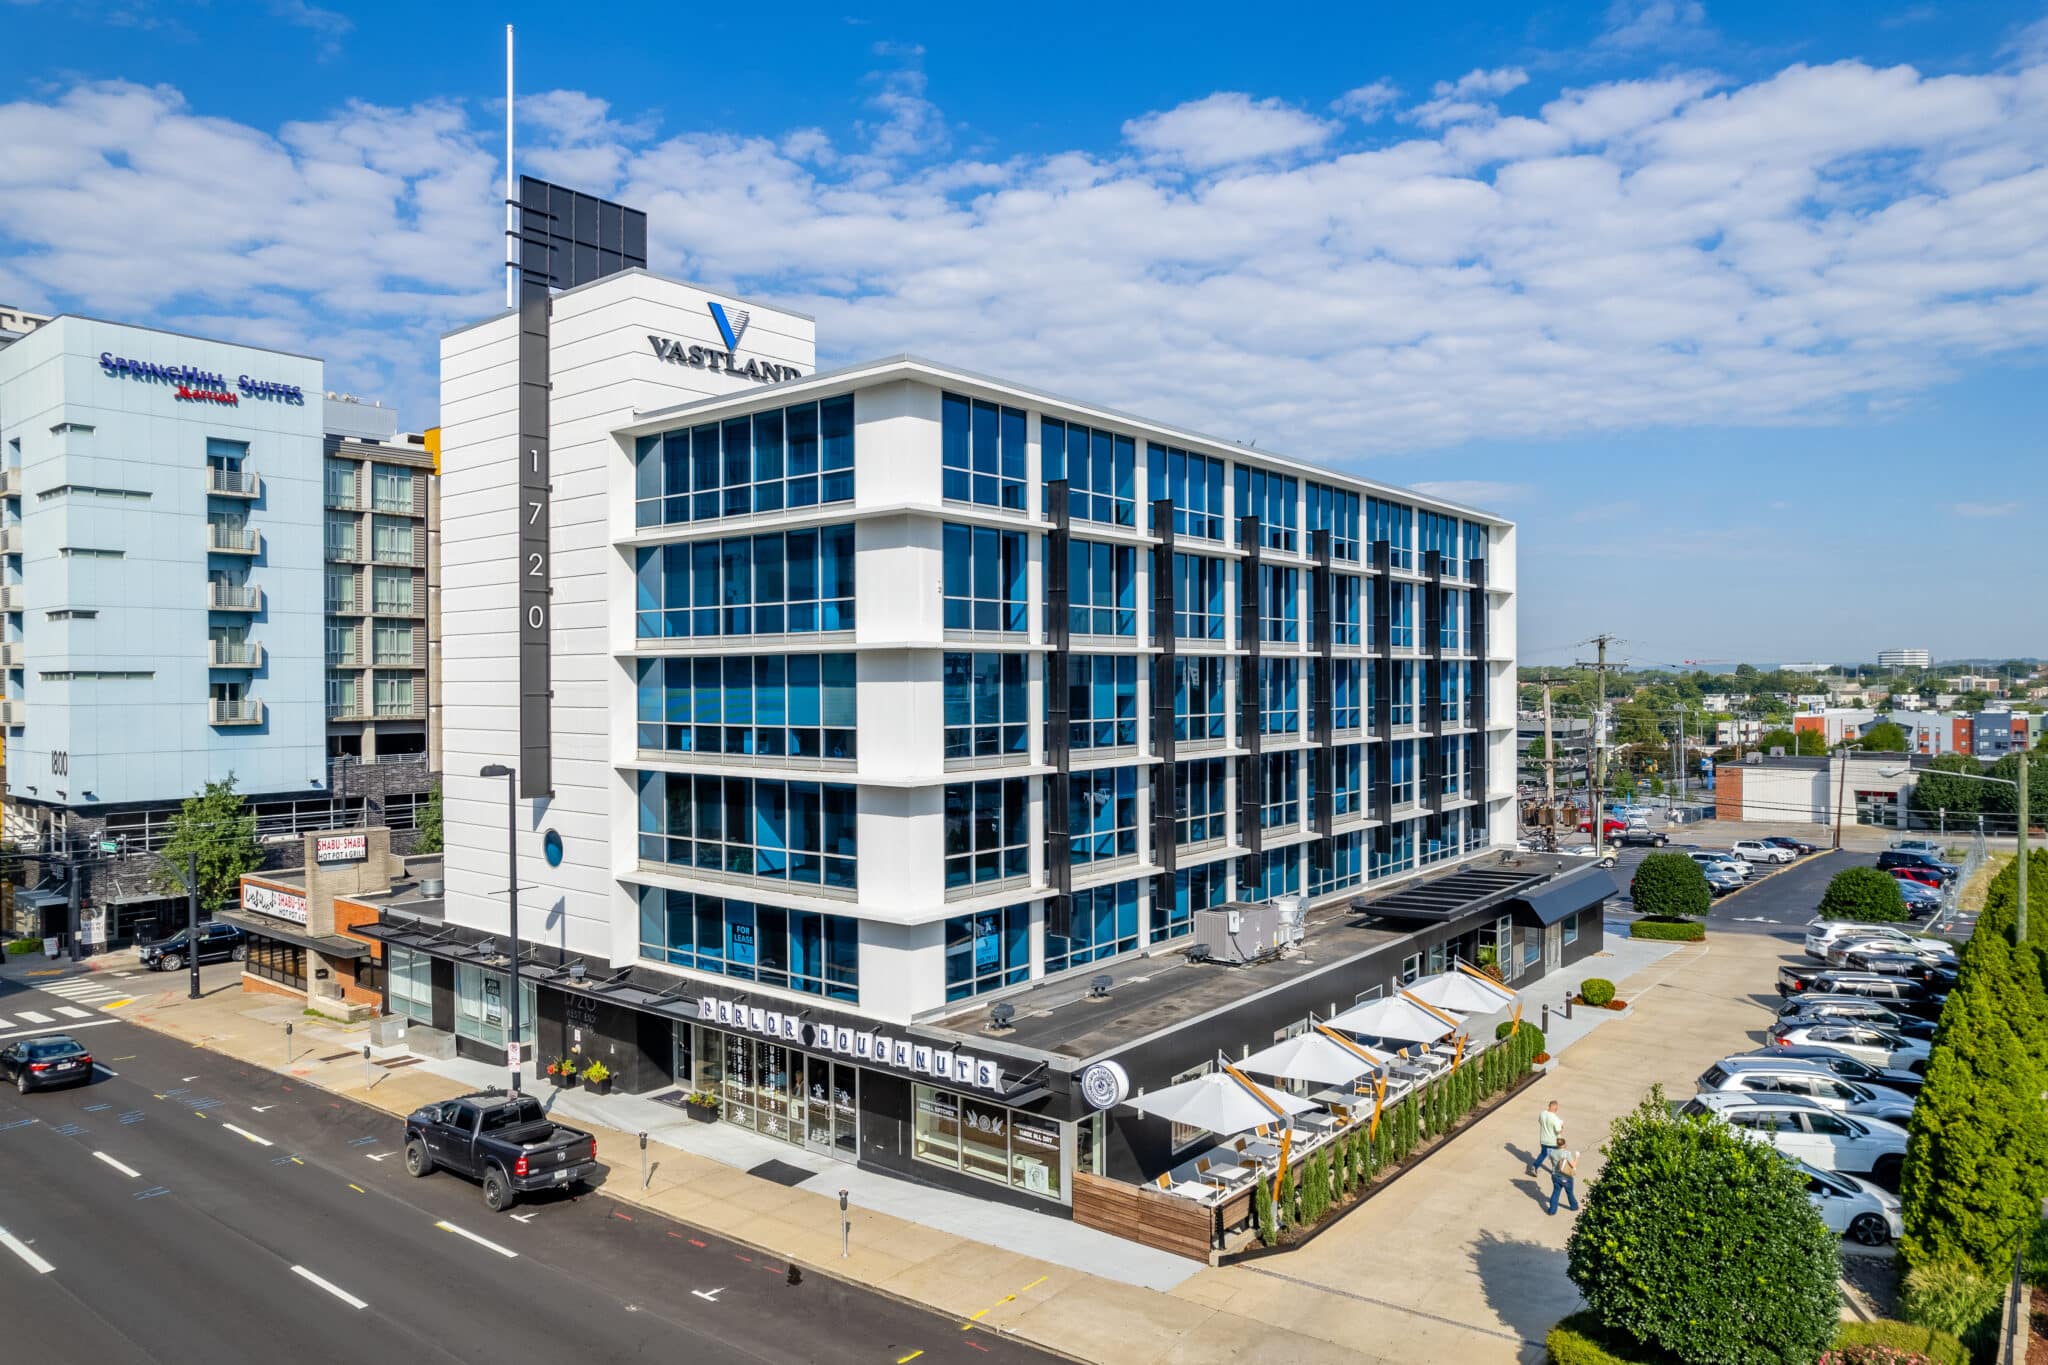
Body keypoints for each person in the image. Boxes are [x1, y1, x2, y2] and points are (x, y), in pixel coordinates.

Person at [1528, 1100, 1564, 1175]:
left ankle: (1534, 1166)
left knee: (1543, 1154)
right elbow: (1558, 1131)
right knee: (1555, 1157)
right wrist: (1562, 1127)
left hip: (1544, 1140)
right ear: (1555, 1108)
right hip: (1553, 1142)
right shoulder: (1555, 1118)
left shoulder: (1542, 1114)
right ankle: (1555, 1171)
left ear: (1549, 1106)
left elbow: (1540, 1122)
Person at [1546, 1150, 1581, 1216]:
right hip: (1566, 1177)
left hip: (1555, 1176)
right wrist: (1577, 1157)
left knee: (1556, 1192)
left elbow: (1551, 1160)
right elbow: (1574, 1165)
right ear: (1564, 1145)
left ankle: (1552, 1211)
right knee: (1569, 1193)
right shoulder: (1566, 1153)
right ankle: (1574, 1207)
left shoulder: (1551, 1151)